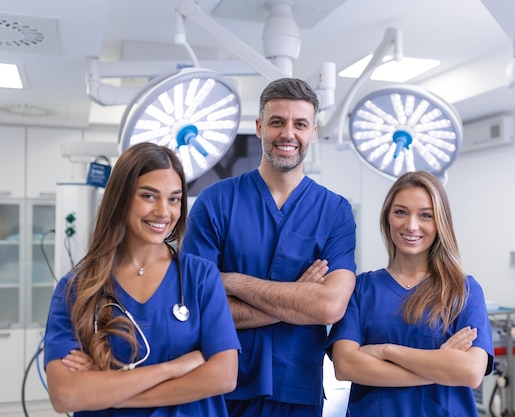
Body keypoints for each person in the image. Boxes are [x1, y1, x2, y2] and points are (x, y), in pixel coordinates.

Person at [182, 77, 357, 417]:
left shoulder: (335, 211)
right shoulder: (215, 202)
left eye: (300, 124)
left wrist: (231, 282)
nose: (288, 134)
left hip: (297, 390)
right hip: (219, 386)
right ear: (260, 126)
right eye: (277, 122)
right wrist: (298, 298)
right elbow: (198, 306)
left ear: (313, 132)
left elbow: (330, 307)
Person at [43, 142, 241, 416]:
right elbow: (66, 395)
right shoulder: (77, 288)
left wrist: (111, 394)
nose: (164, 211)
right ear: (121, 199)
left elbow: (223, 376)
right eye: (149, 196)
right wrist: (169, 369)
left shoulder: (200, 277)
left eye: (174, 199)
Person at [324, 170, 494, 417]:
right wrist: (440, 364)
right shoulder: (360, 289)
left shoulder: (463, 290)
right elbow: (345, 365)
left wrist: (385, 351)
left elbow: (470, 372)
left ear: (440, 223)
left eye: (425, 215)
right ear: (388, 218)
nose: (411, 225)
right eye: (401, 212)